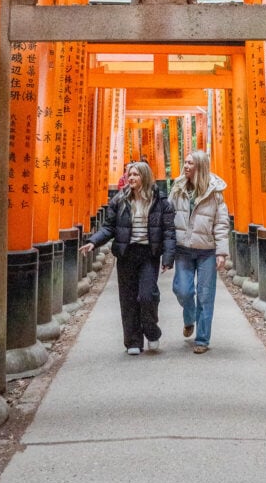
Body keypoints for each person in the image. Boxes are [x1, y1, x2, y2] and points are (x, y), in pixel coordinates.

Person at [81, 161, 175, 355]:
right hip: (126, 254)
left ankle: (152, 331)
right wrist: (94, 241)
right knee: (128, 298)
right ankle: (133, 341)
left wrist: (167, 258)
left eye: (135, 174)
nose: (131, 178)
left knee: (147, 296)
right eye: (129, 174)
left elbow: (169, 232)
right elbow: (109, 227)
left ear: (145, 177)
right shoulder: (119, 200)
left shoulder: (160, 201)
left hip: (149, 255)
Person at [169, 149, 230, 354]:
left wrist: (221, 252)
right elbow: (168, 217)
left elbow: (221, 223)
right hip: (183, 249)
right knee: (183, 290)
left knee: (205, 296)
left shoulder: (215, 192)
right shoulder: (177, 188)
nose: (185, 166)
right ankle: (189, 318)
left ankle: (202, 339)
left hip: (207, 251)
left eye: (190, 163)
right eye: (185, 162)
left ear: (200, 166)